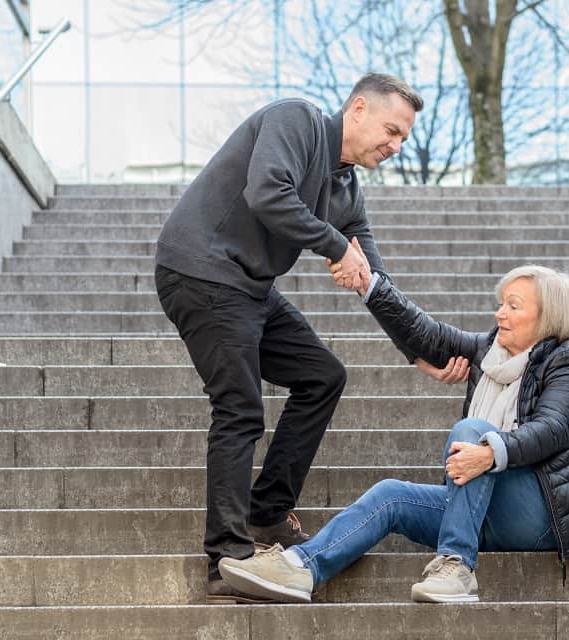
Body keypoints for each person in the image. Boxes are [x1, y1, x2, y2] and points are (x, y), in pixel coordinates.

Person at [154, 74, 424, 603]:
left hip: (249, 287)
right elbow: (267, 193)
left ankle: (268, 512)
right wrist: (333, 244)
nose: (395, 146)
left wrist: (422, 353)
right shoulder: (295, 120)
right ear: (359, 109)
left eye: (404, 139)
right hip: (201, 270)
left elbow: (376, 278)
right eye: (391, 130)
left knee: (322, 376)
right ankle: (226, 557)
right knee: (239, 407)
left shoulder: (346, 189)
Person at [217, 261, 569, 603]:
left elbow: (554, 428)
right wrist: (369, 284)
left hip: (542, 514)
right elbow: (424, 333)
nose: (500, 313)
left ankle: (456, 565)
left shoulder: (566, 362)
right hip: (483, 510)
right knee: (391, 495)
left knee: (473, 430)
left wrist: (491, 452)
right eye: (500, 304)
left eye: (513, 306)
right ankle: (301, 568)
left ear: (547, 316)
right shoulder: (489, 352)